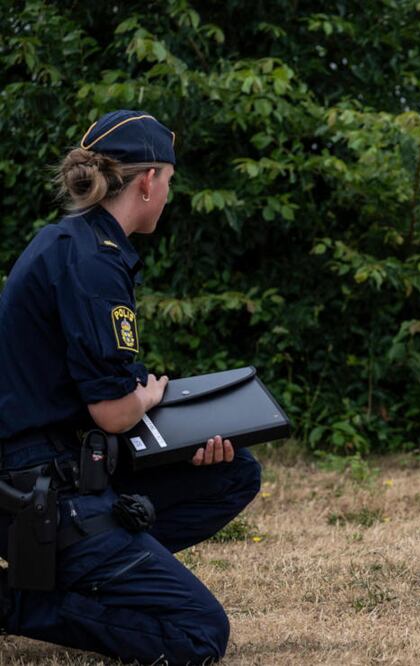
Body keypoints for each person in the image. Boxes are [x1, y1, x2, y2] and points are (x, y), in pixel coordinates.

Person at [0, 110, 262, 663]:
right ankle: (20, 599)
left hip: (63, 469)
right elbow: (115, 413)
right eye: (168, 181)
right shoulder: (95, 263)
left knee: (233, 471)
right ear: (148, 181)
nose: (168, 194)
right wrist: (146, 395)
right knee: (199, 634)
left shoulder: (73, 243)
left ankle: (105, 566)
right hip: (45, 493)